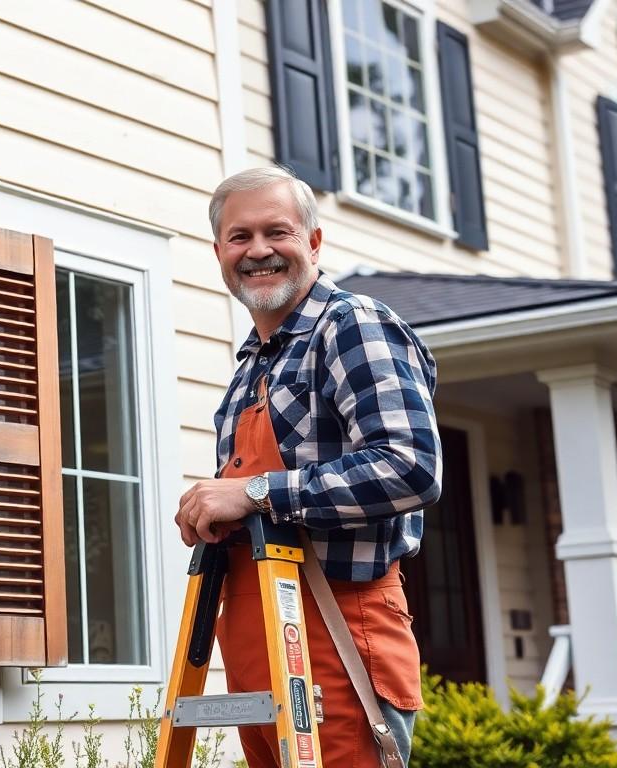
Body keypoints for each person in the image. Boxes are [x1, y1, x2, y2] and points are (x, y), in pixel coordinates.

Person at [174, 166, 442, 767]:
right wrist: (215, 513)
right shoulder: (251, 364)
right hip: (255, 630)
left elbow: (412, 464)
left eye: (278, 232)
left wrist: (254, 493)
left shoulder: (350, 325)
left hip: (336, 628)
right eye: (240, 237)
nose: (258, 250)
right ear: (218, 252)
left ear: (314, 243)